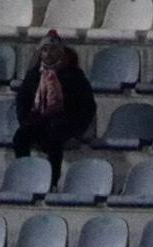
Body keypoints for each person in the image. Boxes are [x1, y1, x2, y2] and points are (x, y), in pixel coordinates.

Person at [13, 31, 96, 189]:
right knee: (20, 137)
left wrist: (77, 129)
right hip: (39, 119)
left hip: (65, 120)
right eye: (45, 50)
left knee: (54, 136)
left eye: (52, 49)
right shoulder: (33, 75)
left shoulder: (74, 75)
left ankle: (52, 181)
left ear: (60, 52)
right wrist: (26, 121)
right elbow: (22, 101)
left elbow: (87, 105)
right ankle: (25, 176)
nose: (48, 53)